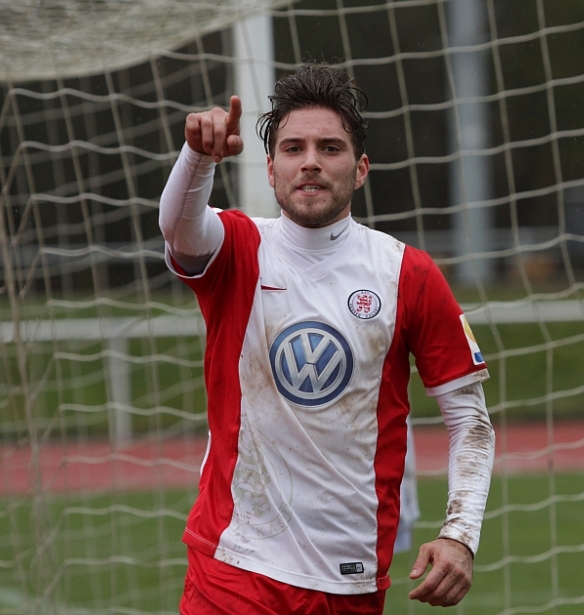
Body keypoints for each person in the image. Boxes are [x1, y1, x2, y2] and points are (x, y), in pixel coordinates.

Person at [159, 64, 495, 615]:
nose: (310, 161)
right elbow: (178, 228)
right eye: (293, 148)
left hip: (349, 581)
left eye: (330, 148)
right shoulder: (238, 247)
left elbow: (470, 419)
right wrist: (197, 156)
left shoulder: (407, 273)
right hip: (234, 566)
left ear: (360, 170)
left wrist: (460, 534)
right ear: (271, 169)